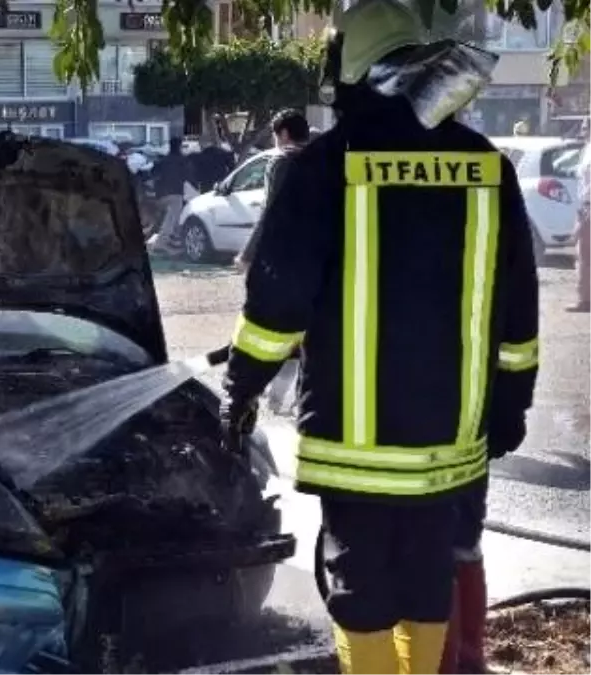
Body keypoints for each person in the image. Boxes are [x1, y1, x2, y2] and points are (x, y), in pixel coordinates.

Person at [219, 2, 539, 674]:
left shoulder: (322, 166)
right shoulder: (487, 166)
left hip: (356, 447)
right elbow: (518, 311)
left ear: (349, 71)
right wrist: (511, 404)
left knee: (359, 588)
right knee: (428, 584)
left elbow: (276, 304)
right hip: (450, 446)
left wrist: (242, 385)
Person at [235, 108, 312, 414]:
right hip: (319, 261)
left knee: (273, 331)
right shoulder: (323, 159)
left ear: (282, 134)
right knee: (307, 334)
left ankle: (272, 401)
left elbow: (270, 212)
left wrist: (248, 254)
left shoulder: (281, 161)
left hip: (285, 261)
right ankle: (294, 399)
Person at [147, 137, 196, 255]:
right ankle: (160, 244)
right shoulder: (182, 161)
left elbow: (152, 175)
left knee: (171, 218)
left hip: (160, 196)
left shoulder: (163, 160)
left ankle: (173, 242)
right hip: (175, 194)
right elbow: (189, 176)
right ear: (179, 146)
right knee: (172, 219)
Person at [571, 122, 591, 312]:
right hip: (585, 207)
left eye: (585, 127)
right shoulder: (587, 149)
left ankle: (585, 300)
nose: (582, 131)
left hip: (589, 208)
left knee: (585, 256)